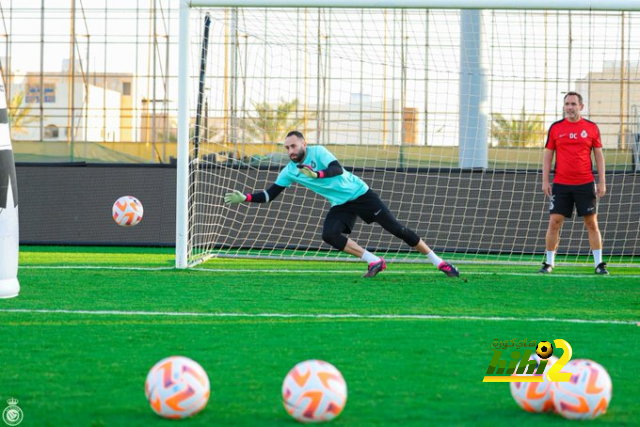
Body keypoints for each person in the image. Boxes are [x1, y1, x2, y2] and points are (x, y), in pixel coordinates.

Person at [224, 130, 460, 278]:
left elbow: (337, 169)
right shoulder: (290, 171)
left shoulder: (319, 152)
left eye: (293, 146)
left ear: (303, 143)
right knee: (330, 234)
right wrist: (245, 197)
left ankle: (440, 263)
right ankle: (374, 261)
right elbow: (270, 194)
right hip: (341, 204)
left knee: (398, 230)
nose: (290, 151)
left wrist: (317, 176)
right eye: (286, 148)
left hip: (361, 194)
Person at [540, 91, 608, 275]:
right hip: (561, 184)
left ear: (581, 107)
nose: (569, 107)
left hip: (585, 183)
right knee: (554, 222)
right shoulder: (555, 128)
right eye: (567, 104)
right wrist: (545, 180)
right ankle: (548, 263)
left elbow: (599, 155)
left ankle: (599, 264)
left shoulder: (591, 128)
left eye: (573, 104)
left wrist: (602, 181)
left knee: (591, 223)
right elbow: (548, 155)